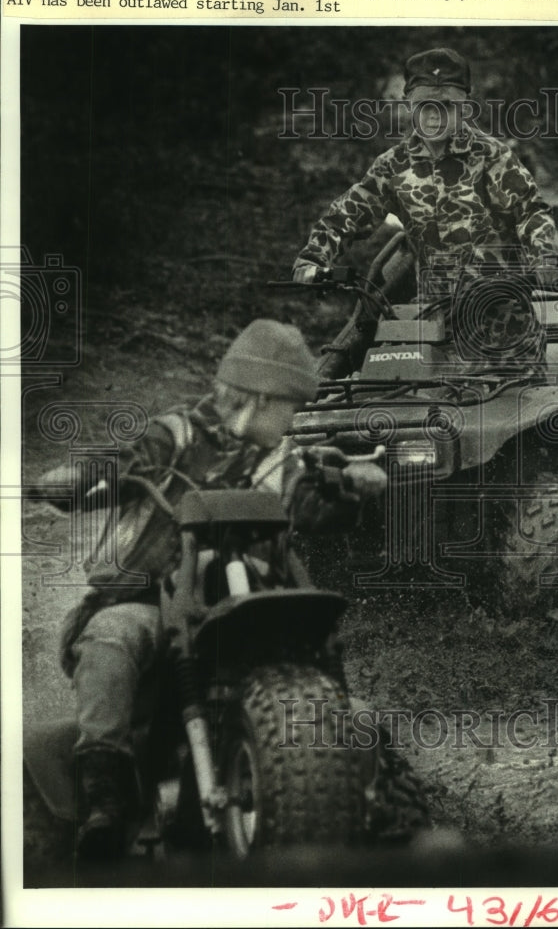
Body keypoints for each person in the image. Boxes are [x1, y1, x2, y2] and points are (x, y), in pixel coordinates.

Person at [38, 319, 384, 859]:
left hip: (236, 603)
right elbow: (119, 464)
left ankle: (366, 791)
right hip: (148, 595)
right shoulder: (174, 434)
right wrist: (77, 478)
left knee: (327, 676)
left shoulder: (279, 460)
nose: (293, 419)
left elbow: (309, 503)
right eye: (289, 406)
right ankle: (103, 797)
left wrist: (352, 490)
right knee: (116, 634)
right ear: (260, 398)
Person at [292, 47, 558, 296]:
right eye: (424, 105)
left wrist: (545, 259)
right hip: (432, 321)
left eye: (446, 105)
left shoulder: (493, 157)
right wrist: (314, 259)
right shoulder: (393, 166)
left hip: (500, 320)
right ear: (410, 105)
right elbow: (347, 215)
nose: (434, 116)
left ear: (464, 107)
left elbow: (531, 211)